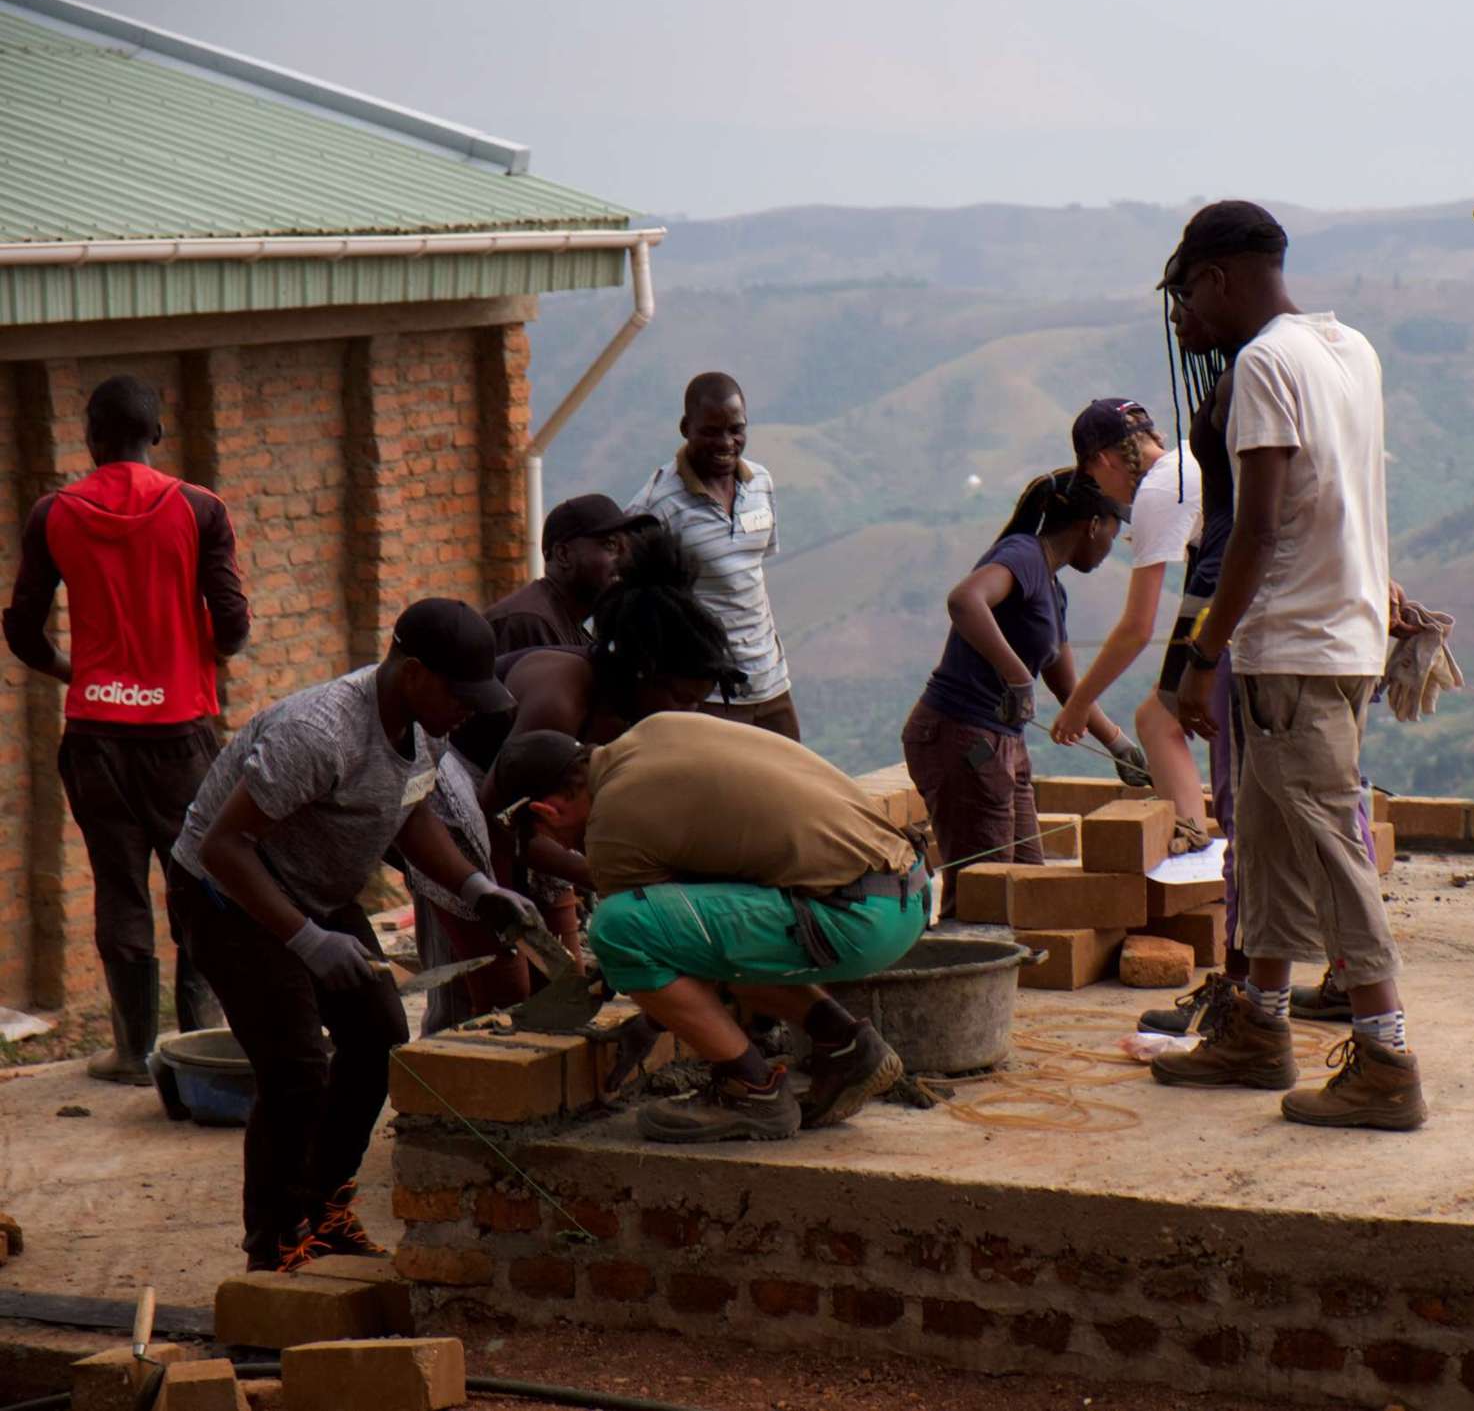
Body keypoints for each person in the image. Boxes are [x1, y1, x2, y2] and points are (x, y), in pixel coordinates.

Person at [1152, 201, 1425, 1132]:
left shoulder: (1265, 362)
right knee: (1262, 840)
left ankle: (1387, 1058)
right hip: (1343, 634)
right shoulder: (1347, 348)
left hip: (1292, 647)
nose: (1185, 319)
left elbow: (1258, 529)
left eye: (1187, 295)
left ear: (1221, 278)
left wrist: (1199, 656)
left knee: (1331, 846)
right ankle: (1259, 1031)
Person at [168, 599, 541, 1270]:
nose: (469, 711)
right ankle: (276, 1244)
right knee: (296, 1067)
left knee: (378, 1039)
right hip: (227, 892)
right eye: (461, 694)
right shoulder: (319, 733)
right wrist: (307, 939)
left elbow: (407, 811)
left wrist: (477, 889)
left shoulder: (427, 725)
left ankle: (325, 1210)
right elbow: (225, 846)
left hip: (312, 890)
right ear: (415, 672)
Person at [487, 712, 928, 1142]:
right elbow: (698, 923)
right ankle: (848, 1047)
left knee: (616, 929)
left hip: (855, 920)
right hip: (907, 893)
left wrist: (653, 1018)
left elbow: (657, 946)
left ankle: (752, 1091)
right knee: (693, 931)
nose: (564, 847)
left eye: (549, 836)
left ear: (547, 811)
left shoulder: (611, 825)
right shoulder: (654, 730)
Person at [3, 375, 250, 1085]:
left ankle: (134, 1052)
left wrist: (75, 672)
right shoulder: (201, 509)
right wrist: (201, 653)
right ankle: (197, 1043)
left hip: (96, 738)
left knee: (119, 887)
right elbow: (232, 625)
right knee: (196, 880)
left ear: (90, 438)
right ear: (157, 436)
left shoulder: (54, 513)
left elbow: (21, 630)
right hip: (181, 735)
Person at [428, 532, 743, 1021]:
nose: (691, 711)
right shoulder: (561, 698)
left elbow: (574, 818)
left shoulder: (637, 712)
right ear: (645, 673)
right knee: (498, 975)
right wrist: (601, 874)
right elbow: (497, 826)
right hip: (459, 797)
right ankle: (455, 1076)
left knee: (568, 983)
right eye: (682, 698)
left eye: (699, 700)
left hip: (529, 810)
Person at [903, 471, 1128, 904]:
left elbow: (1068, 688)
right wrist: (1017, 676)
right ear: (1094, 524)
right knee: (985, 894)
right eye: (1114, 535)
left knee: (1026, 888)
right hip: (962, 737)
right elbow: (964, 601)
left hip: (1003, 744)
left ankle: (1023, 969)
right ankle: (968, 968)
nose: (1109, 549)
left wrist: (1121, 747)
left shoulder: (1052, 587)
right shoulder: (1023, 555)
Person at [1048, 399, 1201, 839]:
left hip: (1258, 624)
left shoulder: (1157, 491)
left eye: (1094, 477)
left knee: (1157, 721)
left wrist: (1077, 707)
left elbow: (1137, 628)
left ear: (1104, 459)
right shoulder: (1191, 460)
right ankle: (1197, 839)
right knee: (1162, 714)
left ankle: (1193, 843)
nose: (1102, 490)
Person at [625, 372, 799, 741]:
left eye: (736, 429)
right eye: (710, 431)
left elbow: (749, 574)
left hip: (771, 680)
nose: (726, 442)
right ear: (686, 428)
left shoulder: (760, 483)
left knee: (791, 795)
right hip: (709, 694)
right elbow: (630, 604)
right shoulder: (657, 505)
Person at [484, 494, 655, 653]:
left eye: (627, 548)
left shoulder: (565, 619)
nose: (626, 560)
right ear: (563, 555)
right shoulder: (531, 622)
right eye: (610, 546)